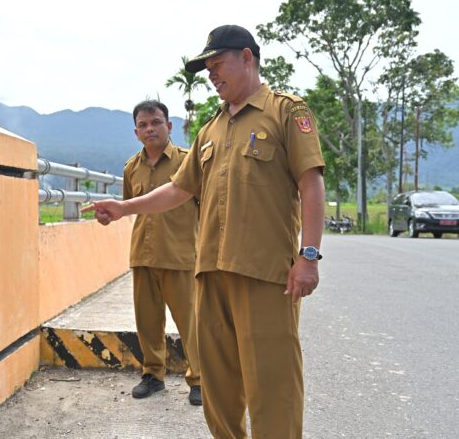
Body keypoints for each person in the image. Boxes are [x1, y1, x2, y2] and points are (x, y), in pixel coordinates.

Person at [83, 25, 325, 438]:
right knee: (218, 386)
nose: (211, 75)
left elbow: (311, 183)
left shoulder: (286, 112)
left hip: (266, 275)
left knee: (272, 383)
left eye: (217, 64)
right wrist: (124, 208)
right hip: (209, 273)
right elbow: (178, 188)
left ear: (246, 57)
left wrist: (309, 256)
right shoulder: (210, 130)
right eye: (207, 68)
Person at [124, 100, 202, 406]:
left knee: (190, 323)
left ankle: (198, 379)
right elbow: (132, 206)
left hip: (181, 255)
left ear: (169, 126)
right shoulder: (131, 167)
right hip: (142, 255)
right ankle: (153, 375)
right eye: (143, 125)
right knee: (147, 321)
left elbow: (206, 207)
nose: (150, 129)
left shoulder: (187, 162)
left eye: (156, 122)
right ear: (136, 132)